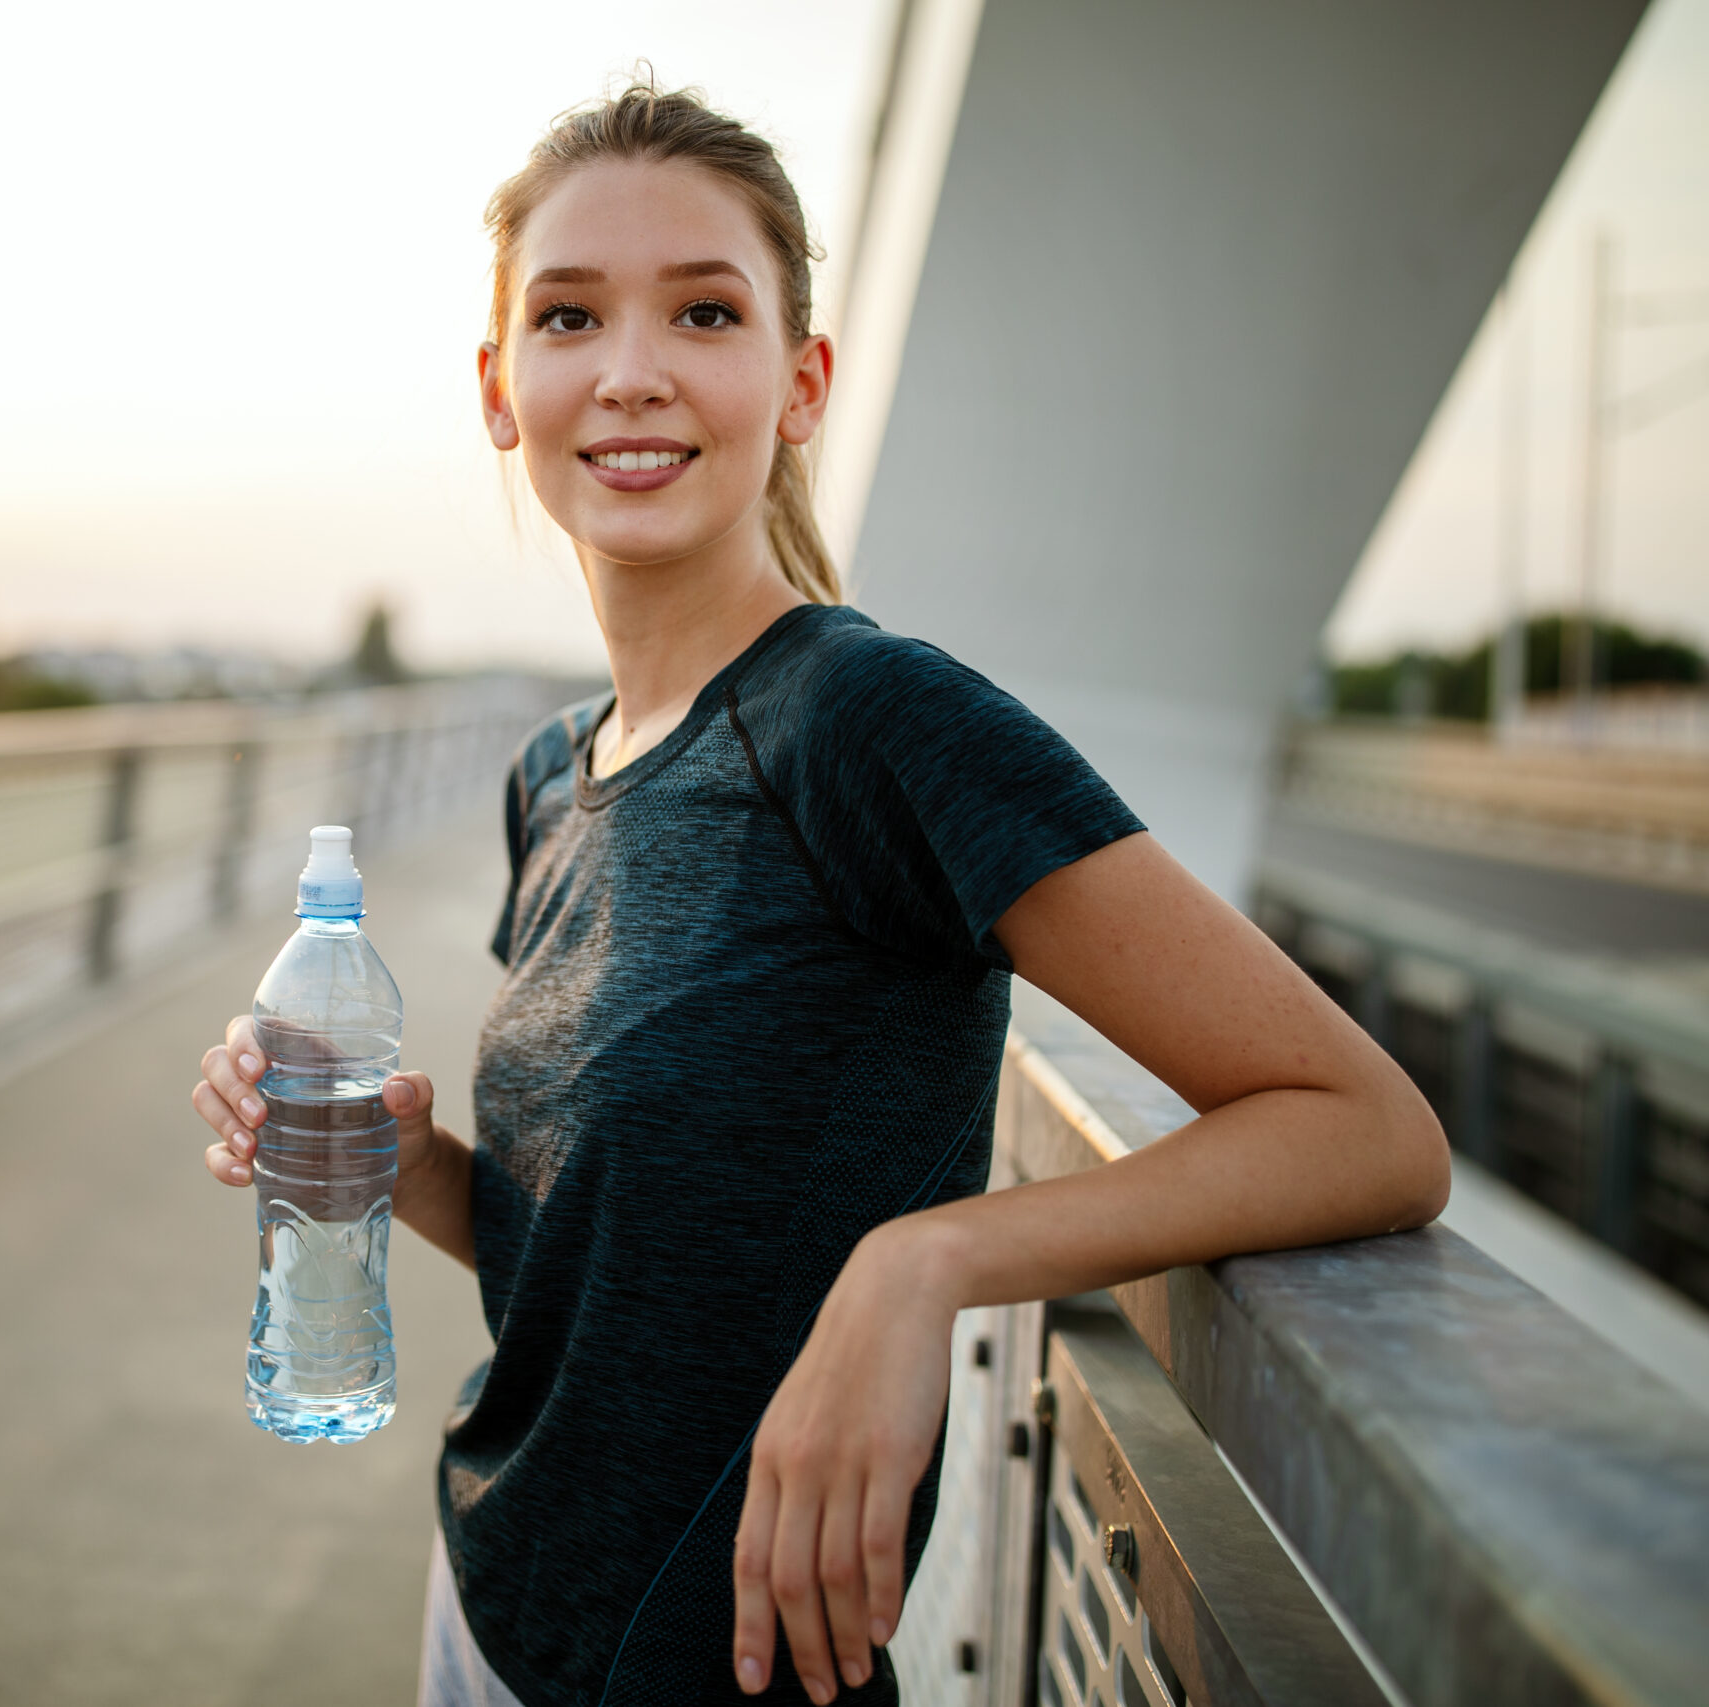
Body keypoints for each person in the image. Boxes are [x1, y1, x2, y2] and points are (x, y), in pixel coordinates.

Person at [189, 81, 1448, 1707]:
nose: (632, 368)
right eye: (570, 316)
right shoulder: (557, 771)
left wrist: (923, 1262)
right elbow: (578, 1264)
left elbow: (1364, 1126)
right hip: (486, 1597)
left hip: (708, 1670)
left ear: (801, 385)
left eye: (703, 311)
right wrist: (387, 1157)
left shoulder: (870, 722)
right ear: (505, 391)